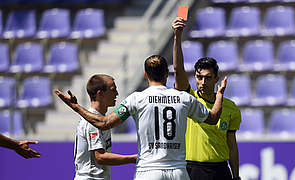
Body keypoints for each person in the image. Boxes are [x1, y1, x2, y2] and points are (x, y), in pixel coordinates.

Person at [55, 55, 227, 180]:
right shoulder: (184, 97)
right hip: (178, 171)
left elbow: (104, 123)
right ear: (167, 75)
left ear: (145, 75)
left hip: (148, 171)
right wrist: (219, 95)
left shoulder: (136, 98)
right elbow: (213, 118)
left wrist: (75, 106)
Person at [172, 17, 242, 180]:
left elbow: (232, 146)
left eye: (207, 78)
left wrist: (236, 175)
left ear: (216, 79)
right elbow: (177, 69)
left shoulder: (231, 108)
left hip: (220, 170)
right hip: (192, 169)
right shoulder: (188, 98)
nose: (202, 82)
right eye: (199, 77)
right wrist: (177, 36)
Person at [72, 74, 137, 180]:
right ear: (100, 94)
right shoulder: (92, 122)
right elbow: (100, 157)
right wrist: (133, 158)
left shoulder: (100, 119)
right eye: (113, 90)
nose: (117, 93)